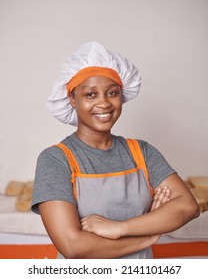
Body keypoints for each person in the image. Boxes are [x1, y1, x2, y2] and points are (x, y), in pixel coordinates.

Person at [31, 41, 200, 259]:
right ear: (72, 99)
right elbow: (73, 246)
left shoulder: (142, 152)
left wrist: (120, 228)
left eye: (112, 92)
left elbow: (187, 207)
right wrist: (146, 235)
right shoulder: (56, 160)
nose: (104, 103)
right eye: (90, 94)